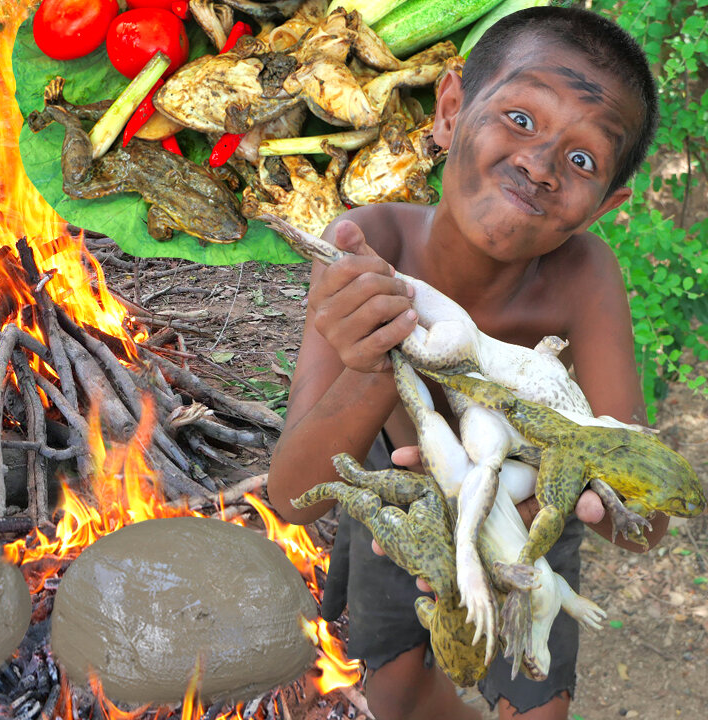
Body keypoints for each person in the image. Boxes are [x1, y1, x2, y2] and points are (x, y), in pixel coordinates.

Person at [266, 7, 664, 720]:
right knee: (393, 691)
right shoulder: (373, 248)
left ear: (606, 204)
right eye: (519, 118)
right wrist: (370, 365)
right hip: (404, 508)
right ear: (449, 109)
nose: (539, 165)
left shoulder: (584, 281)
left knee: (537, 696)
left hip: (531, 519)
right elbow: (298, 498)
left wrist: (556, 503)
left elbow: (641, 515)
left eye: (581, 161)